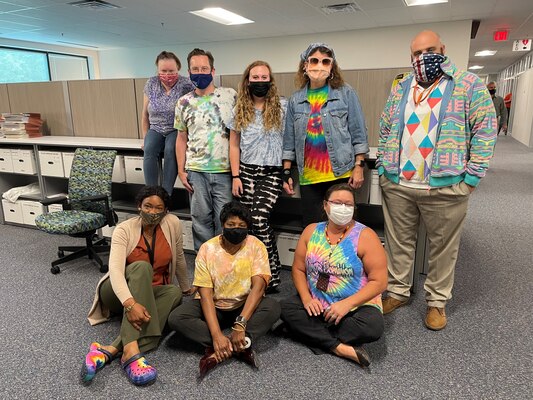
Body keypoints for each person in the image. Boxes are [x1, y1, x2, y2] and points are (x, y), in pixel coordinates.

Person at [378, 30, 497, 330]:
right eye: (417, 53)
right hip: (399, 183)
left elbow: (485, 130)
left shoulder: (468, 85)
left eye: (430, 50)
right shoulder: (402, 86)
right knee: (398, 242)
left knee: (443, 247)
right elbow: (385, 126)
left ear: (443, 49)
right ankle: (398, 291)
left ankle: (437, 302)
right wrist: (383, 167)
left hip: (445, 185)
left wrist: (471, 178)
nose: (423, 58)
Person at [83, 186, 194, 386]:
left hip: (149, 293)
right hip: (117, 294)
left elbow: (178, 256)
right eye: (147, 206)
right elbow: (115, 271)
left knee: (174, 292)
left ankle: (110, 350)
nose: (152, 212)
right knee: (141, 267)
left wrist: (186, 287)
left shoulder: (172, 224)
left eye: (158, 208)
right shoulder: (124, 230)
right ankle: (131, 352)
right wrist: (130, 303)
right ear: (139, 207)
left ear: (166, 210)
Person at [168, 200, 281, 379]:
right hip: (214, 305)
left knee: (273, 307)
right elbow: (205, 295)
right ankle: (239, 346)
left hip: (244, 305)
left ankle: (227, 345)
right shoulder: (207, 249)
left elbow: (258, 288)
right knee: (177, 318)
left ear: (248, 228)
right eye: (231, 224)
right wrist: (216, 334)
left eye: (241, 226)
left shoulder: (256, 245)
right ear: (222, 225)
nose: (236, 229)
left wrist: (241, 324)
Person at [280, 183, 386, 367]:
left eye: (348, 204)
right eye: (337, 202)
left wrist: (347, 304)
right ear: (325, 205)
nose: (343, 208)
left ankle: (306, 332)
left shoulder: (366, 236)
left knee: (373, 327)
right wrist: (306, 299)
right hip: (317, 302)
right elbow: (298, 269)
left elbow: (380, 281)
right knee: (284, 308)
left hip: (354, 306)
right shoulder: (311, 231)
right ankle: (338, 347)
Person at [282, 42, 369, 226]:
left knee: (343, 228)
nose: (319, 66)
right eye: (314, 61)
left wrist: (359, 165)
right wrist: (287, 172)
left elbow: (358, 133)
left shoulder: (345, 93)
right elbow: (289, 140)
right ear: (305, 65)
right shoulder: (296, 100)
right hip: (309, 178)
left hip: (340, 175)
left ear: (332, 67)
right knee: (313, 230)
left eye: (325, 61)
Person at [229, 60, 287, 292]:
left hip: (271, 173)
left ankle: (271, 274)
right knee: (248, 225)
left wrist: (286, 172)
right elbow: (234, 145)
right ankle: (252, 273)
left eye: (264, 78)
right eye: (256, 78)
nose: (260, 82)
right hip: (245, 172)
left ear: (270, 81)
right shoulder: (239, 108)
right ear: (248, 80)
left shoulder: (282, 107)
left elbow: (289, 142)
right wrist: (235, 176)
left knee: (260, 220)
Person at [175, 48, 237, 252]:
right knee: (200, 221)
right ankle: (204, 269)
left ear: (212, 70)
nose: (199, 72)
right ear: (189, 71)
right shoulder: (184, 102)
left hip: (224, 171)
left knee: (225, 220)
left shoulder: (229, 96)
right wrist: (181, 171)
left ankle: (225, 266)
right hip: (196, 171)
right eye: (195, 69)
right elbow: (181, 138)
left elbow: (238, 134)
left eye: (204, 68)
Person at [142, 51, 195, 195]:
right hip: (156, 128)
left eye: (171, 71)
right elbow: (145, 114)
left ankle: (165, 195)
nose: (167, 74)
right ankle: (151, 194)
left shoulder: (186, 84)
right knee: (149, 149)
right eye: (163, 71)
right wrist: (145, 137)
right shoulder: (151, 83)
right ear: (157, 70)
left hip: (176, 128)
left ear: (178, 68)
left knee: (171, 150)